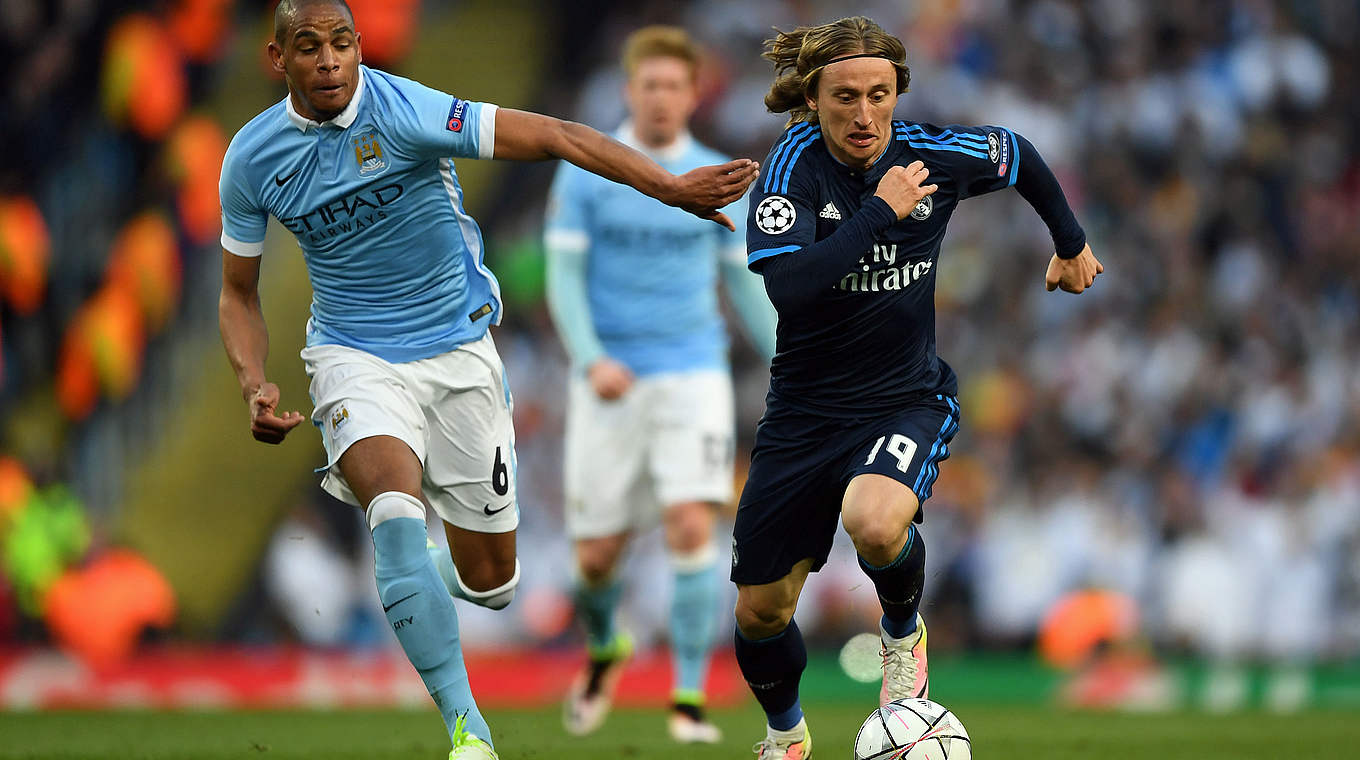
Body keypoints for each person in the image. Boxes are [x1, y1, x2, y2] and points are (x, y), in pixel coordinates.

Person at [216, 3, 758, 759]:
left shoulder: (406, 110)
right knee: (394, 514)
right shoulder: (250, 158)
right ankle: (468, 731)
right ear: (278, 59)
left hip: (459, 350)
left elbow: (559, 135)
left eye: (343, 43)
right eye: (311, 48)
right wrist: (251, 382)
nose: (331, 61)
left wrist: (668, 188)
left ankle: (416, 586)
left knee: (492, 580)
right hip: (352, 355)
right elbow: (238, 292)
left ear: (359, 47)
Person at [732, 16, 1103, 760]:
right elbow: (791, 288)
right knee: (760, 614)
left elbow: (1018, 153)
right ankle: (786, 737)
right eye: (844, 97)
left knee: (874, 521)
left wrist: (1071, 244)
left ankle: (902, 635)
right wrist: (880, 213)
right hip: (803, 416)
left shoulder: (932, 152)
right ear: (813, 97)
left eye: (878, 94)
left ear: (899, 90)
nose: (863, 114)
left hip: (906, 396)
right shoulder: (790, 170)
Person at [543, 25, 777, 745]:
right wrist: (589, 358)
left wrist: (790, 360)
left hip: (692, 371)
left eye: (677, 85)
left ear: (692, 93)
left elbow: (745, 286)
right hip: (610, 376)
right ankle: (607, 642)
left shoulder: (717, 174)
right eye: (652, 85)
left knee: (690, 526)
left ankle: (686, 698)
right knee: (595, 559)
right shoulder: (586, 172)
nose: (665, 98)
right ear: (629, 90)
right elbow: (564, 277)